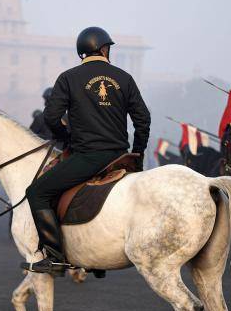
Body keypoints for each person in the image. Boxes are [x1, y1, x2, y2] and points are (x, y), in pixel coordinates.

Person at [21, 26, 151, 275]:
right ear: (103, 49)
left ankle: (56, 257)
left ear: (83, 51)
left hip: (88, 156)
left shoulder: (68, 78)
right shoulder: (124, 78)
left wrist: (65, 138)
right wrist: (138, 152)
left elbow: (51, 116)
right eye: (108, 48)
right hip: (120, 157)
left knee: (37, 192)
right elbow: (143, 119)